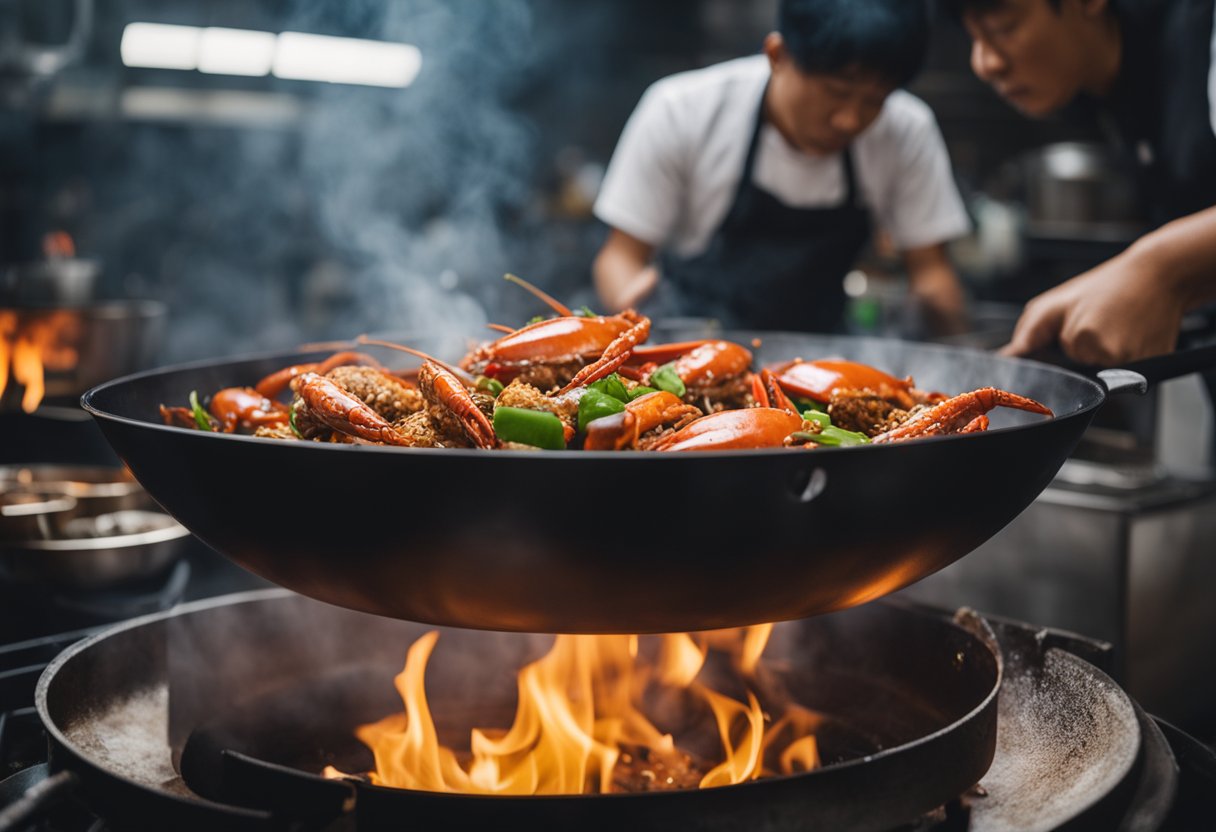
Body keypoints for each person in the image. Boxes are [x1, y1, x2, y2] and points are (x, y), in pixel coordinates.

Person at [591, 0, 971, 335]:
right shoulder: (682, 110)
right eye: (836, 92)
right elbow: (619, 257)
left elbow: (930, 272)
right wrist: (637, 316)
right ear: (777, 54)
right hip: (697, 348)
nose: (850, 120)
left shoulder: (906, 128)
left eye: (876, 99)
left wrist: (961, 352)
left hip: (827, 359)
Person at [949, 0, 1216, 365]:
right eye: (973, 38)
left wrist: (1160, 271)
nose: (984, 63)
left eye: (1003, 29)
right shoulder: (1109, 92)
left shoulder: (1203, 29)